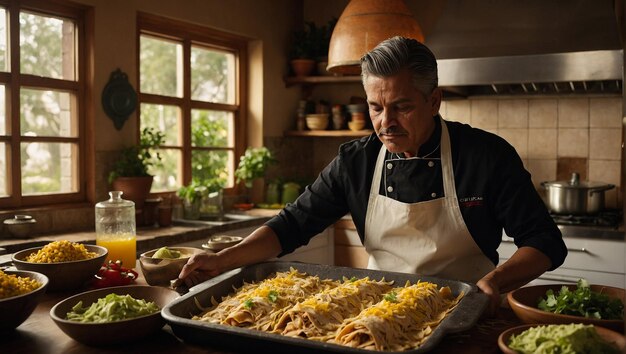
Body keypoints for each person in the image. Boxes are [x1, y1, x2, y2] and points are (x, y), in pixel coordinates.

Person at [177, 36, 567, 316]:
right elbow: (292, 224)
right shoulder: (357, 161)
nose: (386, 123)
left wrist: (496, 283)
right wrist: (224, 259)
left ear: (434, 101)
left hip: (466, 313)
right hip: (378, 314)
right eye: (375, 107)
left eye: (401, 107)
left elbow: (545, 241)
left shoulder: (486, 156)